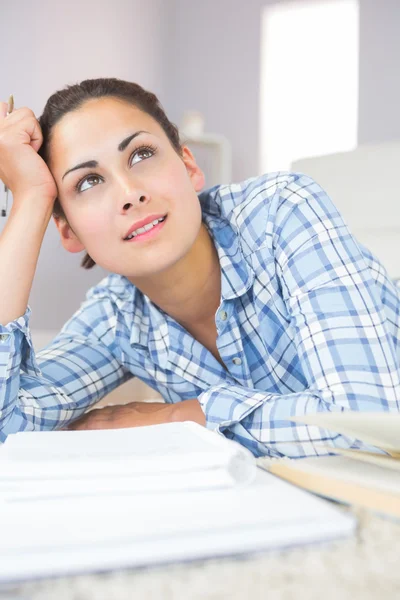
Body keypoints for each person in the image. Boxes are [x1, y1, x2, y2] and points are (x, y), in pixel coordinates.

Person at [0, 78, 399, 458]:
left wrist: (179, 416)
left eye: (141, 155)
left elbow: (370, 424)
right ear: (69, 232)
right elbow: (8, 427)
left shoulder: (281, 213)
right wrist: (30, 199)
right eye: (88, 182)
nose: (129, 193)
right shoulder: (117, 319)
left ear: (189, 166)